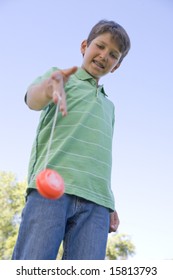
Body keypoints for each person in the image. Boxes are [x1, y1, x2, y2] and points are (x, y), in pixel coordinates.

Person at [12, 19, 131, 260]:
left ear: (116, 66)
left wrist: (109, 200)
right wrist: (47, 89)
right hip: (51, 191)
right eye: (99, 46)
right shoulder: (60, 79)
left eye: (113, 54)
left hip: (96, 203)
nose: (103, 56)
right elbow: (32, 100)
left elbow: (100, 156)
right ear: (84, 46)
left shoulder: (110, 107)